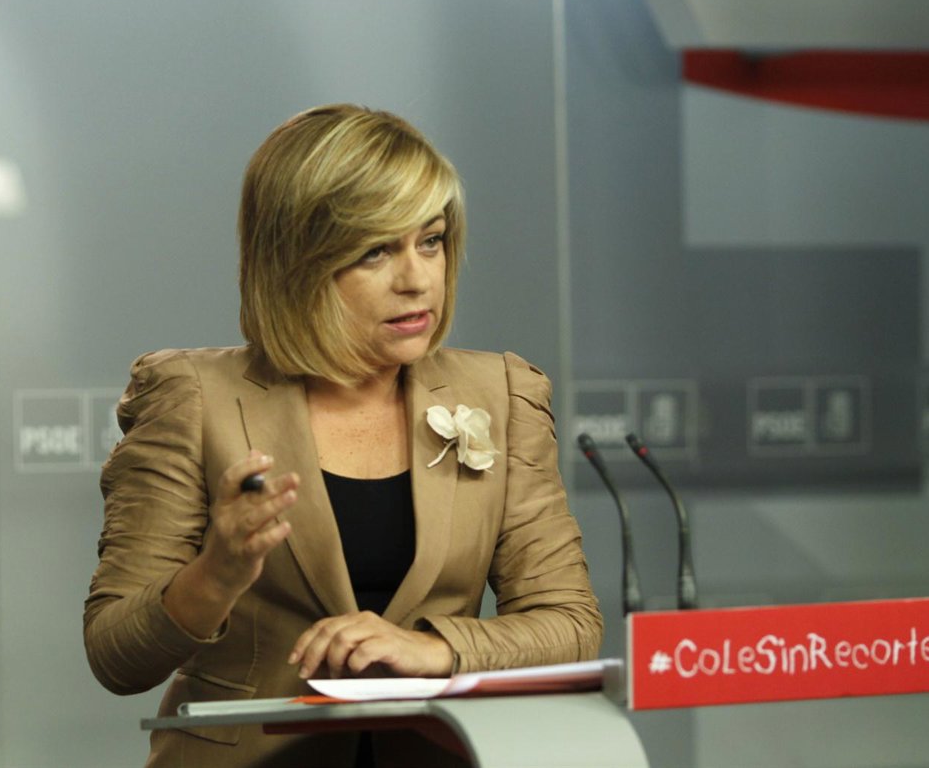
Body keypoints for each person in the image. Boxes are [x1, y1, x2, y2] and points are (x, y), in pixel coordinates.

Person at [84, 104, 603, 768]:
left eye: (431, 241)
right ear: (296, 262)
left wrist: (435, 649)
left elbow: (569, 626)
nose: (417, 279)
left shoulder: (499, 394)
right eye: (375, 250)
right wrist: (216, 573)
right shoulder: (192, 397)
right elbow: (116, 656)